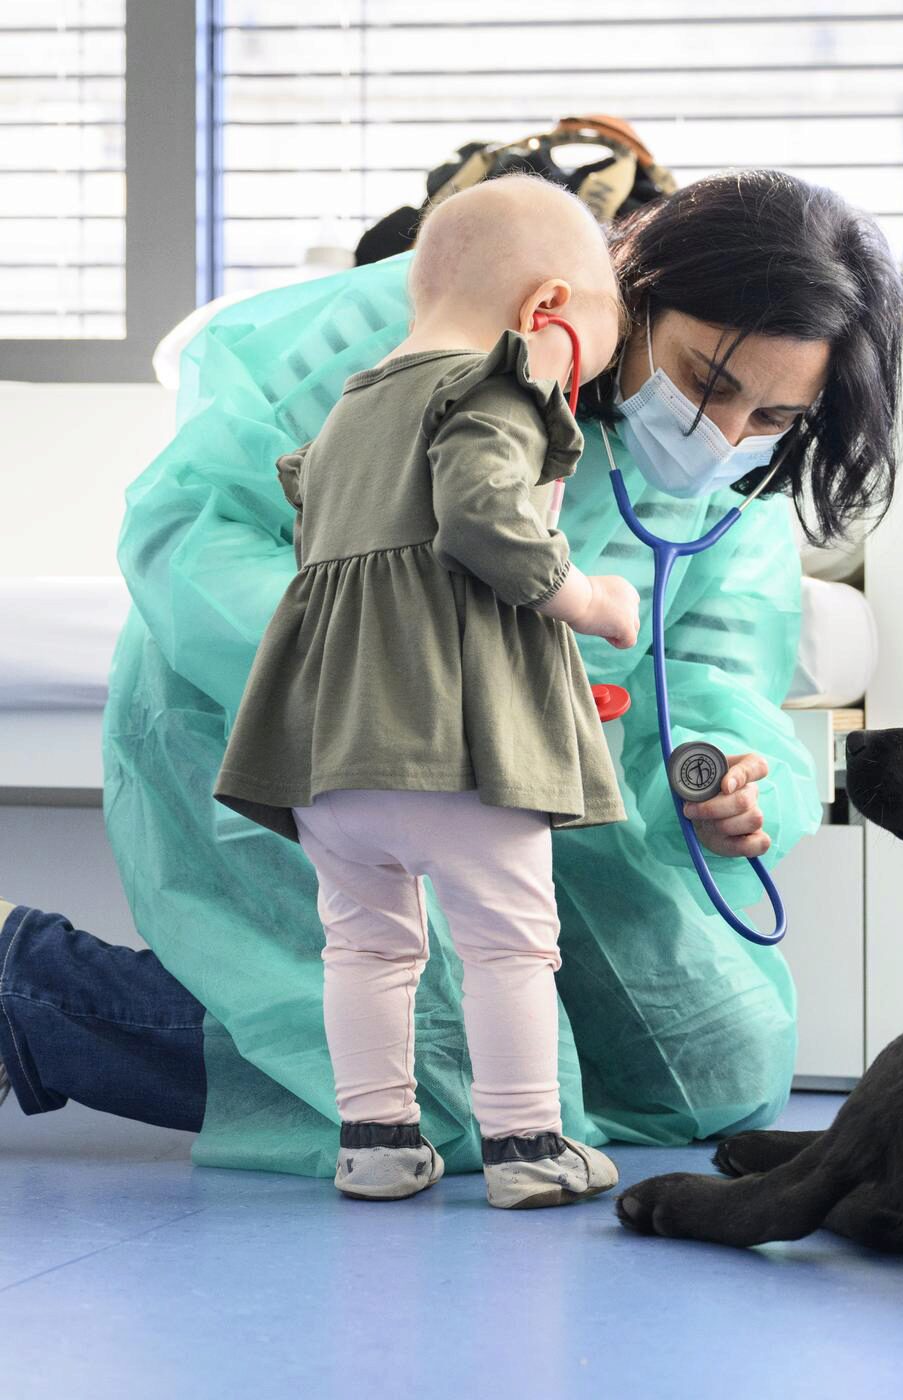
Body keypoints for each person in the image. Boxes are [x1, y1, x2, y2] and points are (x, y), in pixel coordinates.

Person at [0, 169, 903, 1180]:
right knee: (438, 1100)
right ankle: (29, 979)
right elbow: (192, 529)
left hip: (534, 767)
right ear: (626, 293)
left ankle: (494, 1070)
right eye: (706, 381)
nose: (724, 440)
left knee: (717, 1071)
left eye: (776, 418)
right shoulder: (435, 323)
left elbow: (708, 672)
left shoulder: (735, 499)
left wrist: (726, 775)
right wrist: (386, 661)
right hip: (321, 718)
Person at [214, 176, 641, 1208]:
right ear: (545, 312)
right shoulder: (491, 387)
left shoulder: (349, 408)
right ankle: (527, 1146)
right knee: (508, 943)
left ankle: (375, 1141)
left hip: (331, 748)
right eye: (592, 346)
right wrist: (586, 597)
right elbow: (483, 520)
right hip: (456, 747)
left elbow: (339, 548)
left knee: (363, 942)